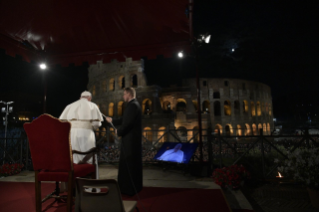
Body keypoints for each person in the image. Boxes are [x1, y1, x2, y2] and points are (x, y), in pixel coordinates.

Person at [105, 87, 142, 196]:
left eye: (124, 94)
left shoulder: (132, 106)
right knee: (131, 164)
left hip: (130, 140)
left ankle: (127, 189)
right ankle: (133, 187)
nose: (123, 96)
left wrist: (119, 131)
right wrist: (112, 120)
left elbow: (128, 123)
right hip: (132, 139)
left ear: (129, 94)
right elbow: (124, 119)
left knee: (128, 164)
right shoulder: (134, 105)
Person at [59, 91, 103, 177]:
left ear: (80, 97)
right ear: (89, 98)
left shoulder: (70, 106)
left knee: (73, 159)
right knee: (88, 159)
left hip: (72, 135)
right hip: (86, 135)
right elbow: (97, 124)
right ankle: (89, 184)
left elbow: (63, 122)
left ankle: (72, 184)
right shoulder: (92, 106)